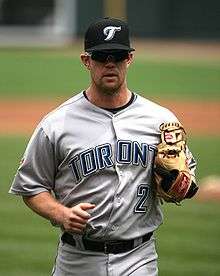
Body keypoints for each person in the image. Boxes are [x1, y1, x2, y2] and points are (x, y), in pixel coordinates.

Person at [9, 17, 197, 276]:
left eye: (117, 56)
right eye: (101, 56)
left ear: (129, 58)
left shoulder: (161, 121)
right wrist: (60, 213)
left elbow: (186, 178)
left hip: (138, 259)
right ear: (86, 61)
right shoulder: (56, 124)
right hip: (76, 260)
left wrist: (179, 185)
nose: (110, 63)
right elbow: (31, 186)